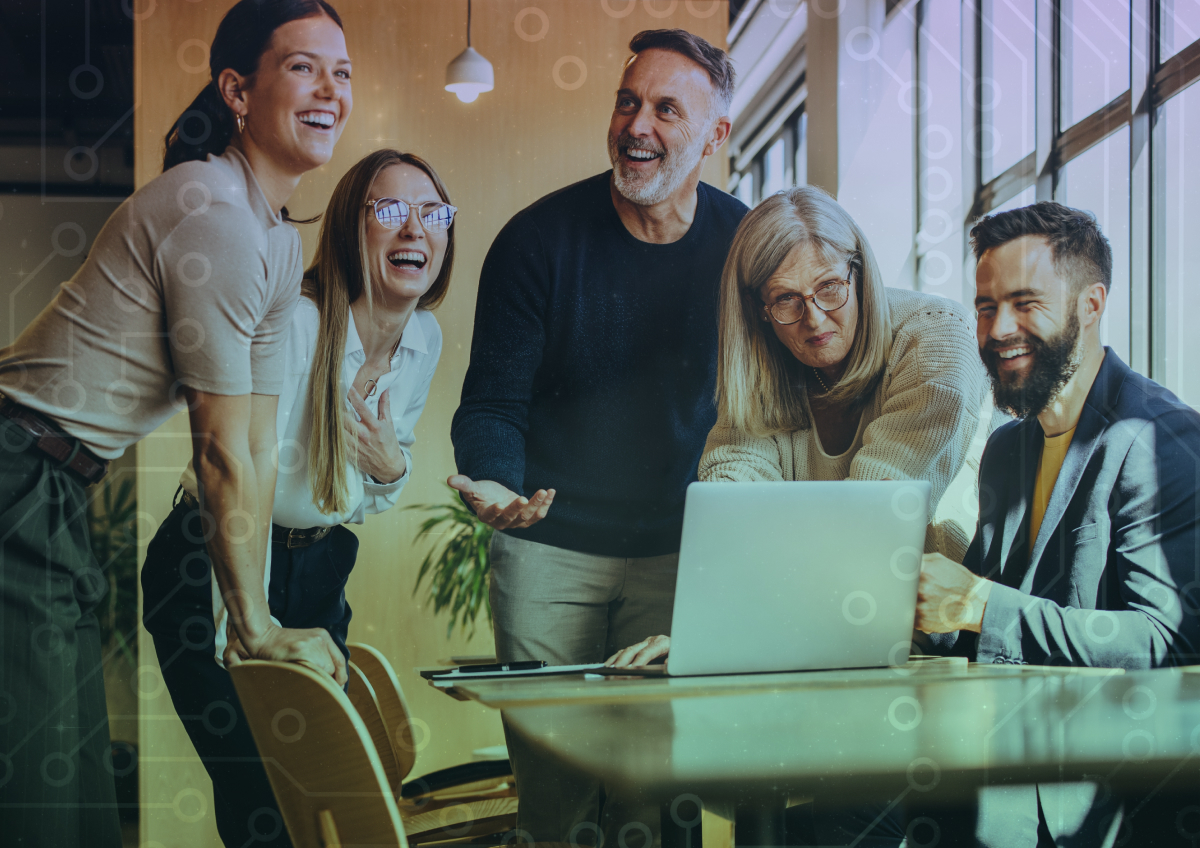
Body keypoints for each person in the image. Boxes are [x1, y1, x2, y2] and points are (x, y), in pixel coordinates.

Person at [0, 1, 350, 845]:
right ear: (238, 91)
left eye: (342, 72)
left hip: (48, 486)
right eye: (304, 66)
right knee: (24, 797)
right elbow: (214, 451)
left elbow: (254, 444)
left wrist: (259, 618)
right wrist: (251, 628)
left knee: (64, 788)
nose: (330, 90)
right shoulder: (212, 214)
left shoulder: (276, 246)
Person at [449, 28, 748, 845]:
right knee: (560, 799)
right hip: (548, 552)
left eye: (664, 108)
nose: (636, 125)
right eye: (626, 101)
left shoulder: (745, 248)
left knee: (663, 801)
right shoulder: (536, 241)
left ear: (715, 137)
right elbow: (491, 405)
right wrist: (495, 482)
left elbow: (771, 407)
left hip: (682, 555)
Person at [143, 148, 453, 846]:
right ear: (350, 227)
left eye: (433, 213)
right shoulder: (299, 323)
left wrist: (388, 469)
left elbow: (369, 496)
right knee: (265, 798)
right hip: (214, 559)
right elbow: (239, 472)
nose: (416, 231)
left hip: (317, 567)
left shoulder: (422, 340)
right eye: (391, 211)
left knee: (320, 792)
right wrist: (243, 626)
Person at [903, 202, 1200, 845]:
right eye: (985, 307)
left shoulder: (1156, 440)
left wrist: (977, 602)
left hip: (1108, 794)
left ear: (1091, 305)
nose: (998, 328)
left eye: (1024, 302)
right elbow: (976, 626)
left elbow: (1168, 644)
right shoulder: (1010, 448)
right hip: (1002, 762)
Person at [605, 184, 989, 670]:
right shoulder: (762, 370)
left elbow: (869, 528)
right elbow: (733, 515)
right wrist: (707, 635)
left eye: (829, 287)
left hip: (940, 641)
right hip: (810, 629)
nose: (815, 319)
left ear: (860, 271)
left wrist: (730, 633)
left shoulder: (936, 338)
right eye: (786, 299)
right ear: (759, 312)